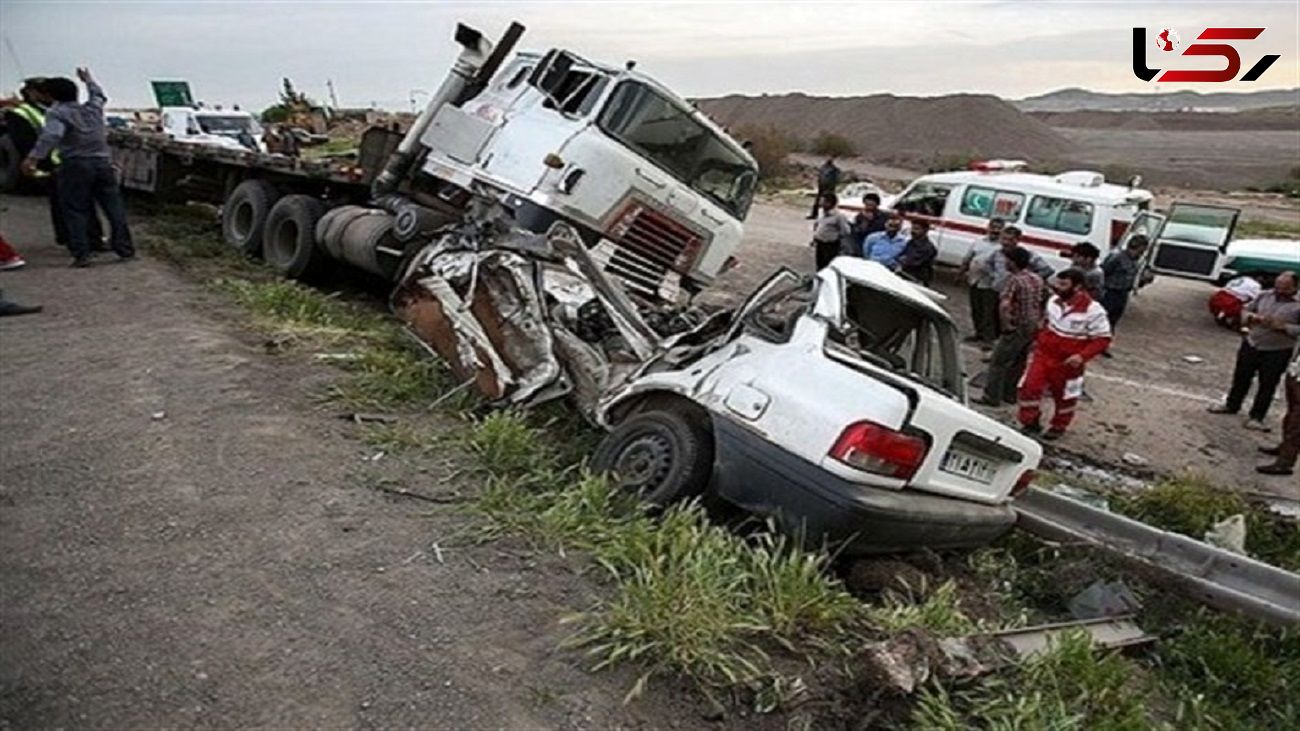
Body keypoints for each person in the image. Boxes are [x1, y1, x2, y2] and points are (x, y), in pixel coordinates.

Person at [21, 68, 135, 267]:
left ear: (50, 95)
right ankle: (125, 249)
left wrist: (33, 158)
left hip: (75, 165)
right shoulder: (93, 109)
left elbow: (52, 136)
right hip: (103, 164)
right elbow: (99, 95)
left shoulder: (57, 113)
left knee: (75, 210)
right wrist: (88, 80)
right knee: (114, 209)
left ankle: (82, 254)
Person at [3, 78, 103, 250]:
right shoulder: (21, 113)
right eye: (41, 90)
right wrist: (37, 165)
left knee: (81, 203)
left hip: (70, 162)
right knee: (66, 206)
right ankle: (75, 240)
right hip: (52, 166)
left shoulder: (57, 109)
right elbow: (26, 143)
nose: (46, 94)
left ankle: (90, 239)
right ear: (31, 93)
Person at [1017, 269, 1112, 440]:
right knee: (1029, 388)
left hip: (1068, 363)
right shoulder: (1052, 301)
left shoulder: (1093, 311)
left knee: (1066, 397)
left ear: (1077, 287)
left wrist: (1081, 357)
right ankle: (1030, 422)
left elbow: (1102, 339)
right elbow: (1047, 323)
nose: (1057, 287)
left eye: (1063, 284)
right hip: (1043, 356)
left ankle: (1059, 426)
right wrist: (1038, 340)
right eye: (1058, 283)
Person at [1207, 271, 1300, 430]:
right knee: (1241, 376)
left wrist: (1283, 327)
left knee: (1267, 384)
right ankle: (1232, 404)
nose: (1279, 291)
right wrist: (1251, 317)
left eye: (1285, 288)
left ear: (1295, 287)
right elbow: (1245, 310)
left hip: (1278, 349)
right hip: (1252, 342)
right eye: (1277, 286)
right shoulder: (1265, 295)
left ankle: (1257, 416)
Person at [977, 246, 1046, 407]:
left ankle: (991, 396)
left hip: (1017, 325)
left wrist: (1006, 324)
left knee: (999, 362)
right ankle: (1009, 394)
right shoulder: (1036, 279)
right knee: (1019, 362)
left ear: (1013, 262)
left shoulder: (1014, 280)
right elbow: (1042, 300)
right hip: (1032, 325)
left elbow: (1005, 305)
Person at [957, 218, 1005, 346]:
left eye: (998, 228)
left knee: (989, 312)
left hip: (991, 284)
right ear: (988, 227)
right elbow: (968, 258)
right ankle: (978, 333)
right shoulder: (979, 242)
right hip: (975, 280)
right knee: (976, 309)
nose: (995, 230)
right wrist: (960, 273)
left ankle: (989, 339)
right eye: (993, 227)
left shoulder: (1002, 247)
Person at [1098, 235, 1149, 356]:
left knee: (1113, 320)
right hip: (1110, 292)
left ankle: (1104, 345)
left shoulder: (1135, 261)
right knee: (1103, 319)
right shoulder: (1117, 258)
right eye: (1141, 250)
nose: (1141, 253)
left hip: (1123, 293)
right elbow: (1103, 272)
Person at [1256, 346, 1300, 476]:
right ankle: (1284, 448)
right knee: (1291, 414)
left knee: (1296, 424)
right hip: (1296, 370)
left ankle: (1285, 462)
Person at [810, 192, 852, 270]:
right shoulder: (821, 212)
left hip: (830, 245)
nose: (821, 204)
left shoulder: (839, 216)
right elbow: (818, 225)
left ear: (829, 203)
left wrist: (835, 237)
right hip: (820, 243)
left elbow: (845, 231)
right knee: (819, 264)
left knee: (827, 265)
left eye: (823, 201)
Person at [897, 219, 937, 284]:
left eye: (917, 229)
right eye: (912, 228)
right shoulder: (910, 242)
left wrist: (903, 261)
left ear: (925, 231)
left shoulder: (928, 248)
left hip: (916, 279)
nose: (913, 231)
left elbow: (914, 263)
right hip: (904, 275)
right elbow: (900, 256)